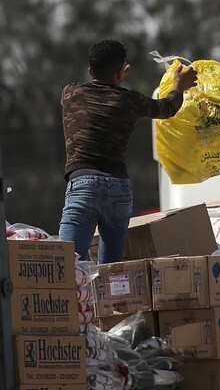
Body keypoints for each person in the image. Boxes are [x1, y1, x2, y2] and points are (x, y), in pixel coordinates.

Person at [58, 39, 197, 263]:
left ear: (90, 70)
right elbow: (167, 108)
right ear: (121, 71)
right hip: (117, 188)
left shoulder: (70, 93)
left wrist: (117, 75)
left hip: (82, 186)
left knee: (67, 264)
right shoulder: (130, 101)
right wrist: (178, 85)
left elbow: (103, 91)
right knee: (111, 270)